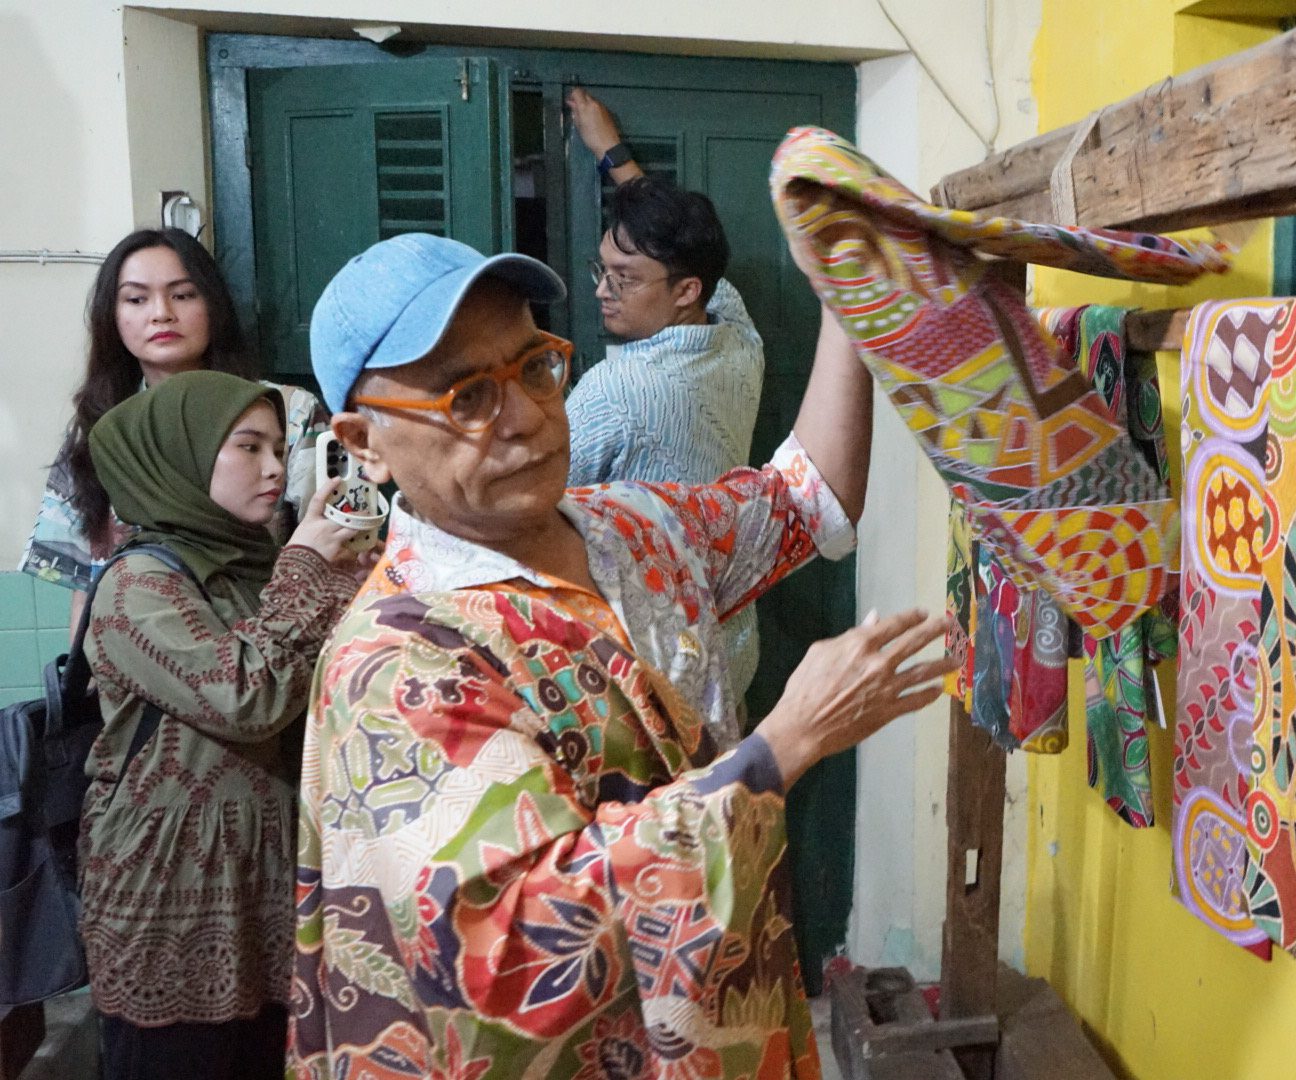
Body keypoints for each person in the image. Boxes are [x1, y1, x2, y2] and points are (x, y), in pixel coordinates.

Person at [290, 233, 950, 1078]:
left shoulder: (630, 528)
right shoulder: (396, 661)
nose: (526, 416)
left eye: (535, 369)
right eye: (466, 398)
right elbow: (512, 946)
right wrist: (782, 747)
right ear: (365, 441)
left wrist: (845, 307)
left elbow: (803, 498)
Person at [79, 371, 363, 1078]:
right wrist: (306, 565)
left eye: (279, 447)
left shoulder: (257, 564)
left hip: (268, 885)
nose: (274, 468)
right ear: (181, 455)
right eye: (248, 447)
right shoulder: (138, 584)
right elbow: (246, 697)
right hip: (169, 897)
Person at [565, 87, 766, 744]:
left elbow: (535, 506)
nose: (601, 289)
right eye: (603, 268)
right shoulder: (738, 337)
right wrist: (613, 157)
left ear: (684, 293)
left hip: (649, 685)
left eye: (623, 278)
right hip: (732, 652)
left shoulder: (612, 391)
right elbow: (691, 255)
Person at [20, 228, 326, 626]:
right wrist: (82, 684)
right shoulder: (99, 429)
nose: (161, 312)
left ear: (213, 306)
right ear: (112, 316)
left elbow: (331, 544)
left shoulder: (290, 410)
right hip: (137, 658)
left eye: (182, 295)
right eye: (136, 299)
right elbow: (86, 582)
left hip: (265, 644)